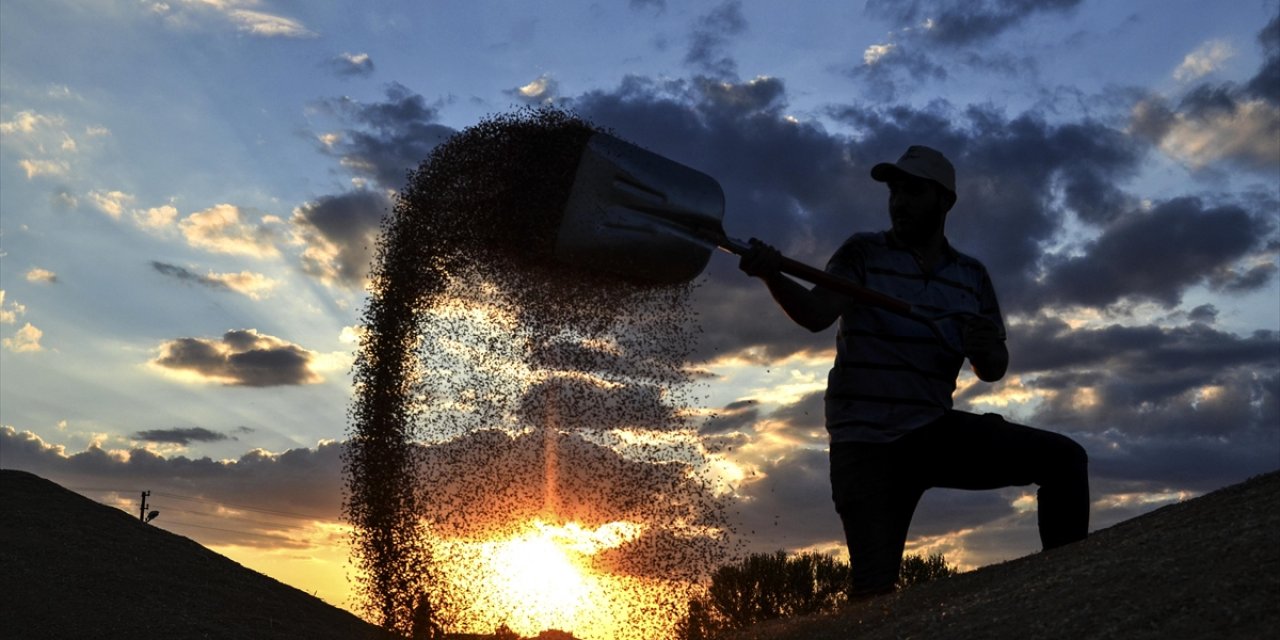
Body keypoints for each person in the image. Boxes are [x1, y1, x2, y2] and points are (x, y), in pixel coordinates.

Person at [739, 145, 1089, 598]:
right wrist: (772, 275)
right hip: (865, 445)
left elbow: (993, 366)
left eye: (913, 190)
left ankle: (1068, 596)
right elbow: (815, 313)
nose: (899, 201)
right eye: (894, 190)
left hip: (931, 431)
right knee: (874, 592)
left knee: (1064, 460)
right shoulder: (862, 253)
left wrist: (985, 351)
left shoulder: (971, 276)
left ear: (944, 201)